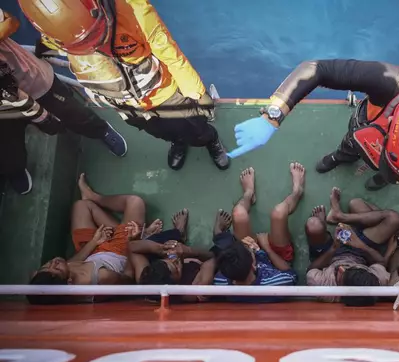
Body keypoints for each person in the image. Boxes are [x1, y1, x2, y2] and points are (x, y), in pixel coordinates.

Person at [229, 59, 399, 308]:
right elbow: (316, 69)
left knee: (385, 175)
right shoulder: (390, 81)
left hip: (385, 151)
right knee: (350, 145)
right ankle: (339, 156)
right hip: (366, 128)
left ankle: (381, 175)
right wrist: (273, 116)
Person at [18, 0, 229, 171]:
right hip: (127, 106)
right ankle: (177, 141)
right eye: (80, 45)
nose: (93, 46)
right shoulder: (54, 30)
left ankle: (210, 140)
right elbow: (50, 43)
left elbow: (171, 55)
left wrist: (198, 92)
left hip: (162, 94)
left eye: (93, 36)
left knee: (197, 128)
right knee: (160, 132)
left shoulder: (134, 9)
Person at [1, 8, 126, 194]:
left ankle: (101, 130)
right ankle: (15, 169)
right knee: (8, 145)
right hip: (5, 109)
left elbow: (9, 21)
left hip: (33, 80)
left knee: (75, 114)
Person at [27, 173, 154, 304]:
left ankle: (137, 229)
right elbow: (129, 277)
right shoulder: (100, 279)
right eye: (57, 268)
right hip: (121, 251)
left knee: (81, 206)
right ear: (70, 283)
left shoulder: (57, 278)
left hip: (94, 251)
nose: (54, 262)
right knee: (134, 202)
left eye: (46, 265)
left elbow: (73, 263)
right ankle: (98, 200)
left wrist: (95, 241)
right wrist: (131, 242)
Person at [212, 163, 305, 302]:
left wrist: (248, 248)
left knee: (238, 214)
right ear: (254, 265)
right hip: (276, 260)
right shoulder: (277, 284)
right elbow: (290, 273)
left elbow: (225, 264)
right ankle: (297, 192)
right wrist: (266, 248)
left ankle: (249, 194)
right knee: (278, 213)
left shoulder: (221, 282)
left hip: (252, 256)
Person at [304, 190, 399, 306]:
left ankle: (338, 218)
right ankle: (341, 216)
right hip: (360, 251)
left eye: (341, 273)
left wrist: (334, 248)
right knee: (392, 218)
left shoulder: (323, 289)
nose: (343, 267)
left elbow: (311, 269)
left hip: (329, 254)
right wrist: (360, 245)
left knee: (313, 225)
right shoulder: (373, 283)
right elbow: (381, 262)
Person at [132, 209, 229, 303]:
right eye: (176, 268)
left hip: (185, 257)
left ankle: (178, 232)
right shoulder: (195, 290)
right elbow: (215, 258)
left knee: (151, 245)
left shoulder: (148, 278)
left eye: (168, 261)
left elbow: (132, 247)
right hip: (208, 259)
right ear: (175, 284)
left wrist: (161, 248)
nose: (174, 260)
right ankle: (219, 234)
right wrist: (190, 251)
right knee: (227, 252)